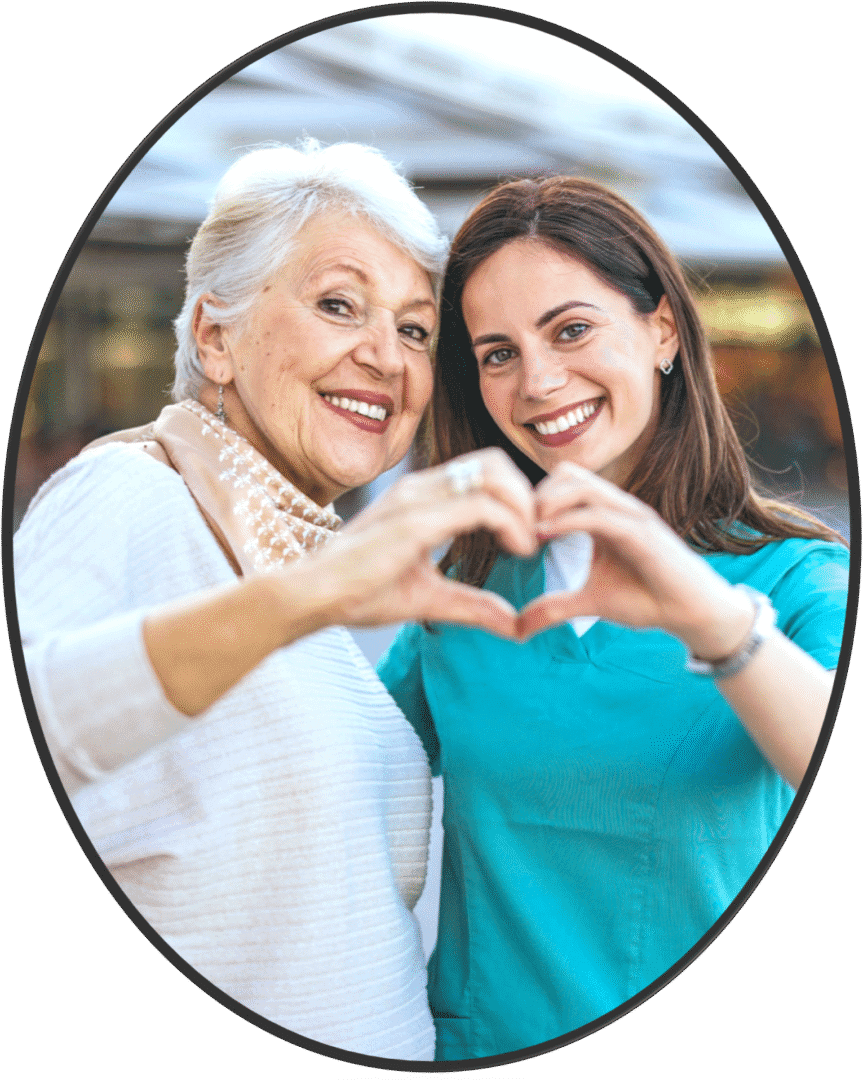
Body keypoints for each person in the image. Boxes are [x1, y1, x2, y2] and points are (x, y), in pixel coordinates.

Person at [14, 141, 542, 1059]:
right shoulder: (133, 493)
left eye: (415, 331)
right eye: (339, 304)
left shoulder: (285, 566)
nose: (385, 356)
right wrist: (310, 592)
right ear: (214, 338)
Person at [377, 176, 849, 1060]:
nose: (539, 381)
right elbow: (323, 768)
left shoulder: (796, 581)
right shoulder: (463, 588)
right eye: (496, 353)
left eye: (571, 329)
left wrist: (713, 624)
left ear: (662, 329)